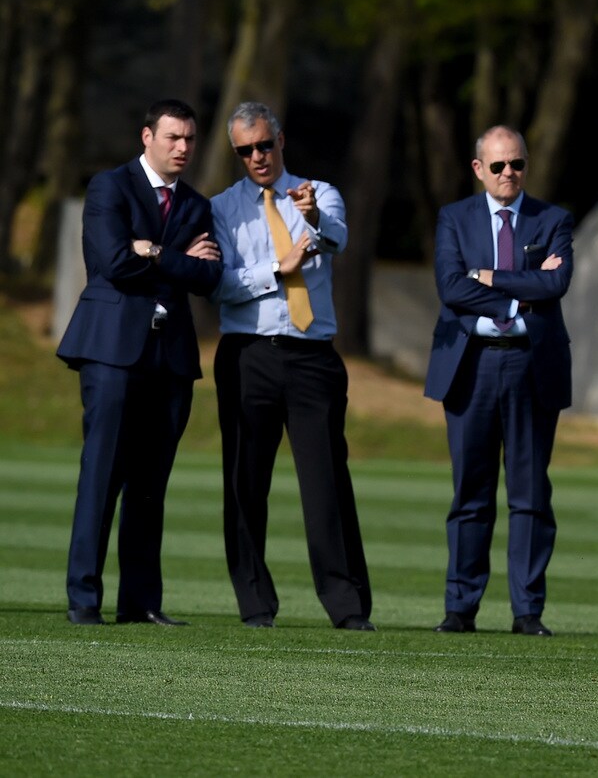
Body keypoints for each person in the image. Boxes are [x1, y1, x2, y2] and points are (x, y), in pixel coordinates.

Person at [57, 99, 223, 626]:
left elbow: (208, 278)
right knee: (101, 474)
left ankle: (141, 602)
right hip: (111, 350)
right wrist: (173, 260)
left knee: (151, 483)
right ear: (147, 136)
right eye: (173, 137)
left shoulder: (196, 204)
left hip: (170, 357)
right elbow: (112, 262)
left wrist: (151, 251)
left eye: (189, 138)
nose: (183, 147)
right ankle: (84, 599)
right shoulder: (110, 186)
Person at [208, 101, 373, 631]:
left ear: (280, 141)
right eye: (245, 150)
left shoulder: (318, 193)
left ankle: (347, 606)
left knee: (326, 483)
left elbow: (338, 237)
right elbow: (219, 284)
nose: (257, 156)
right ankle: (255, 604)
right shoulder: (221, 208)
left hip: (311, 357)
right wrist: (276, 269)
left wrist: (313, 217)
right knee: (244, 482)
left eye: (264, 144)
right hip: (247, 354)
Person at [424, 125, 574, 636]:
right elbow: (450, 288)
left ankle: (527, 611)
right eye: (498, 165)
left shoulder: (553, 218)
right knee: (470, 492)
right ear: (478, 169)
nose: (509, 172)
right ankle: (460, 608)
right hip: (472, 364)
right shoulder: (454, 218)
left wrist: (487, 277)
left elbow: (557, 282)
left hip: (532, 364)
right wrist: (520, 294)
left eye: (517, 163)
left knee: (530, 495)